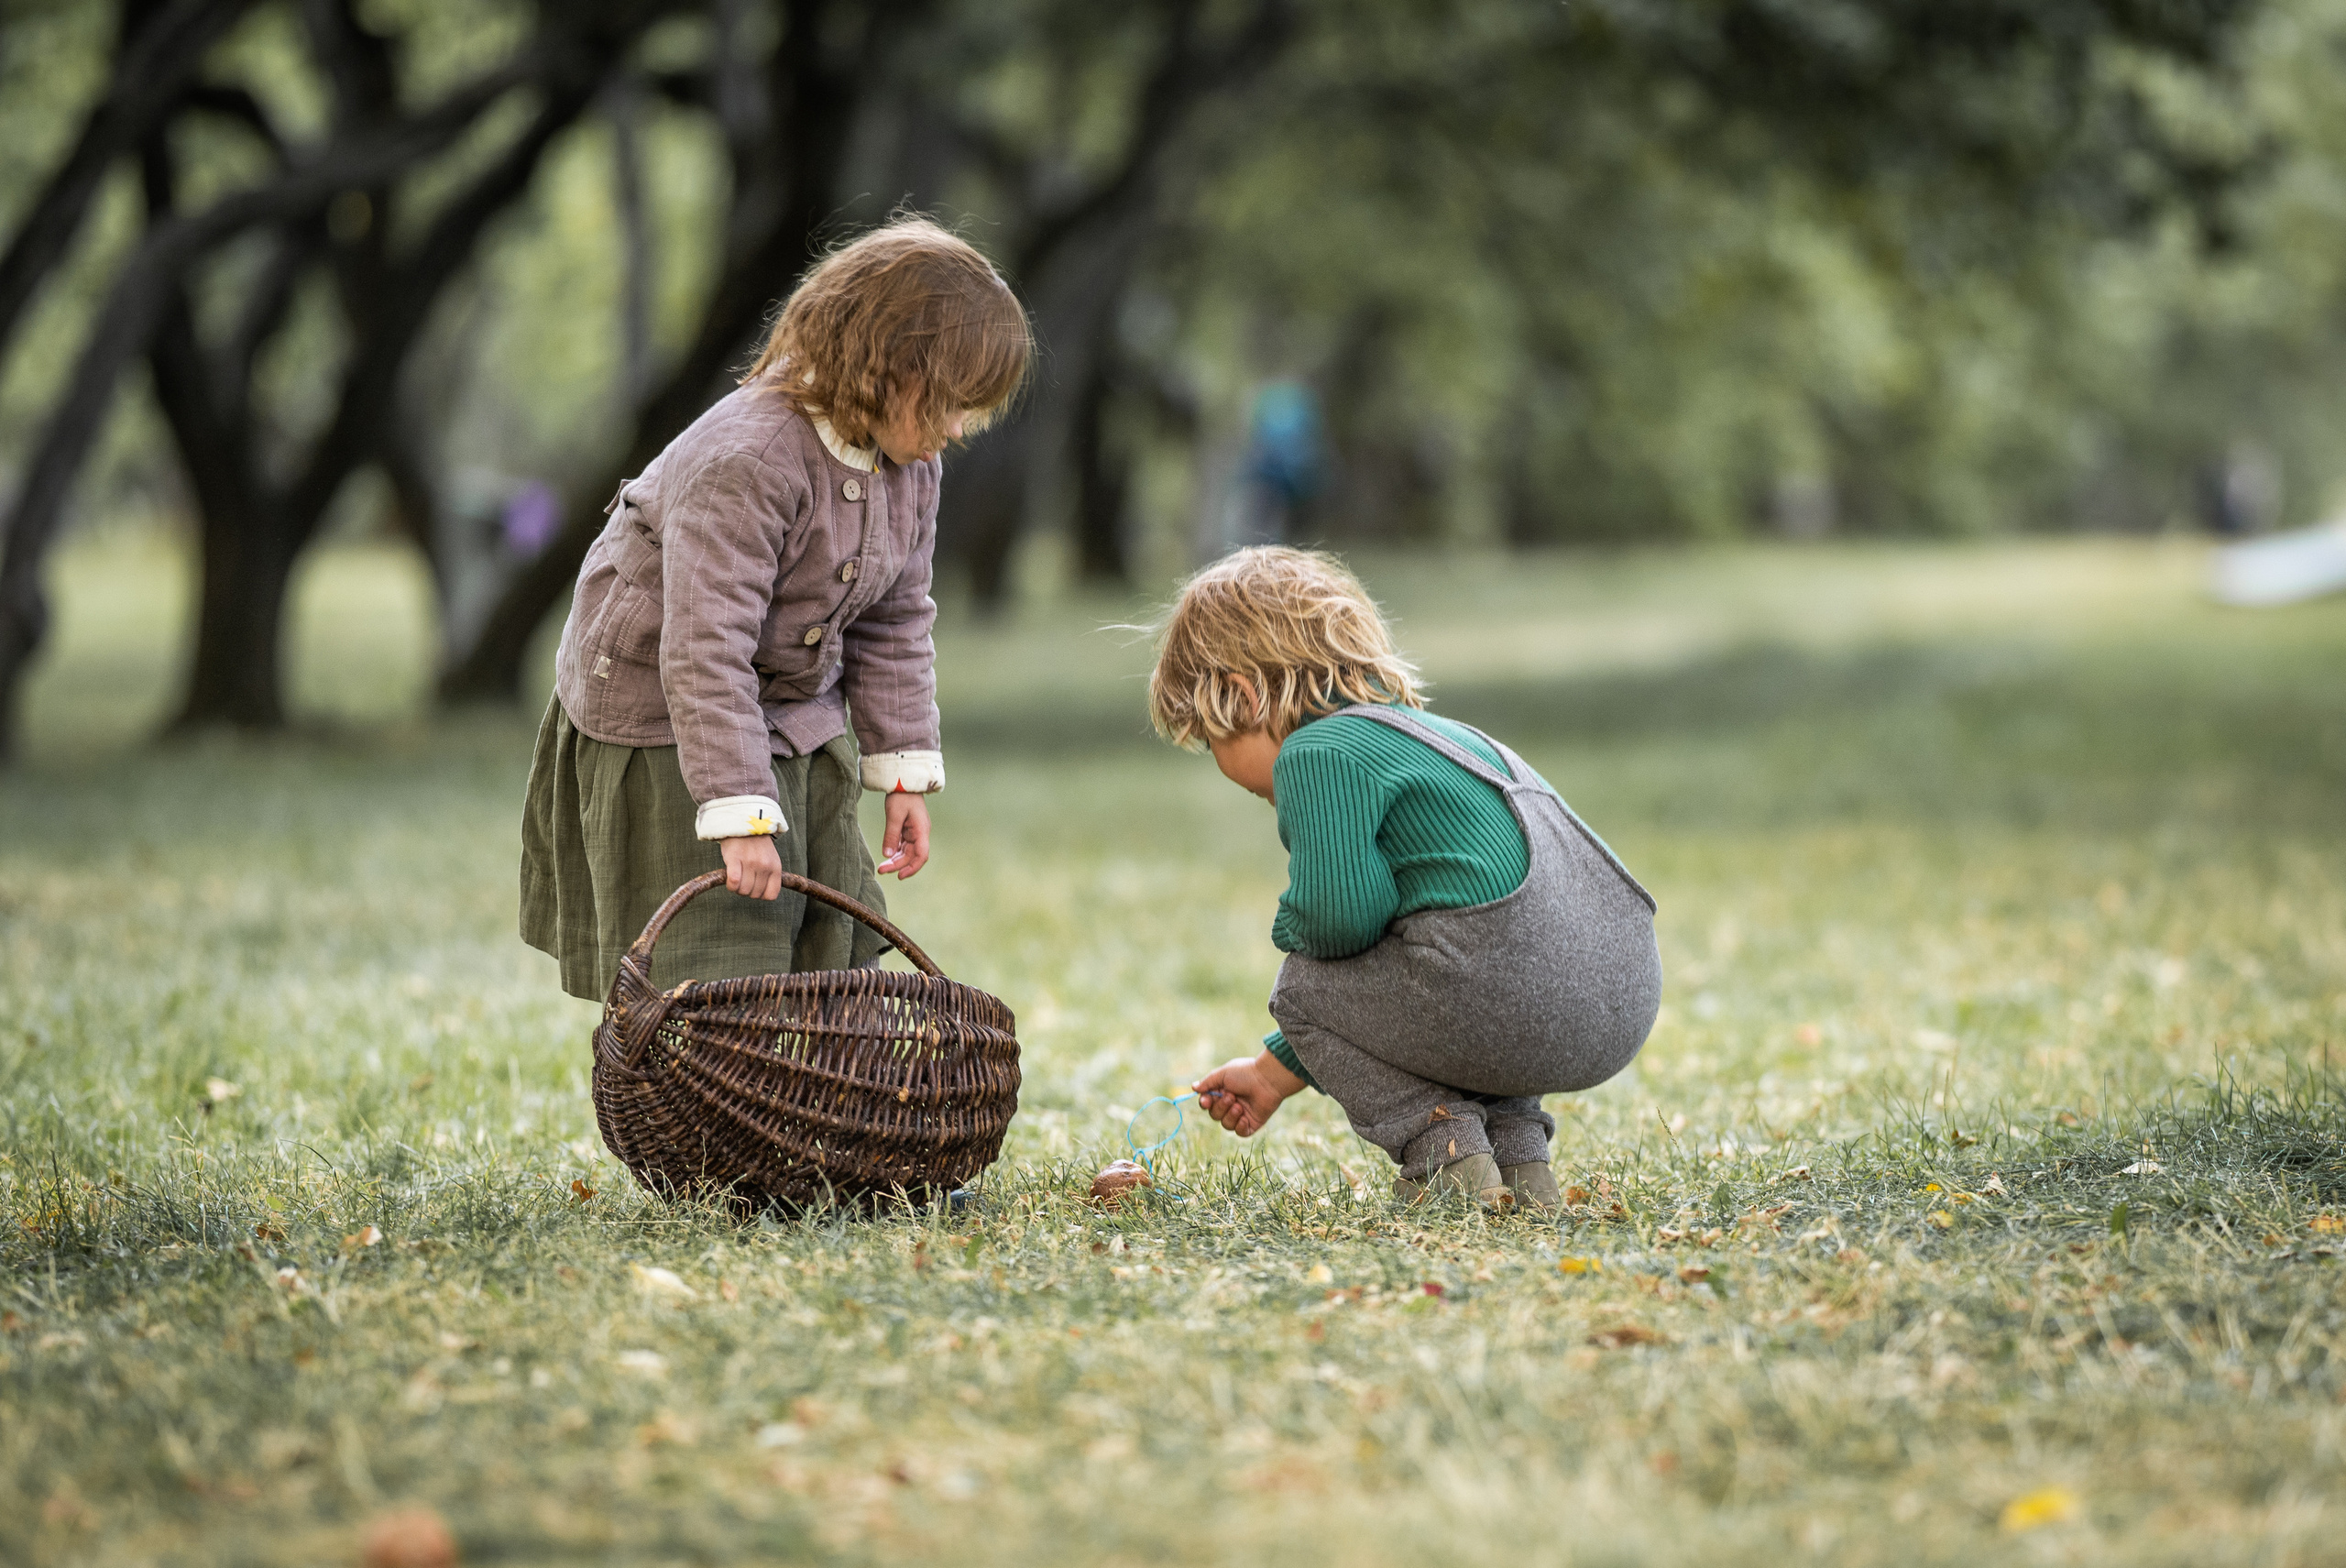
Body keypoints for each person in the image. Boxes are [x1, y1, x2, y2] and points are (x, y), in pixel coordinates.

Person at [521, 218, 1030, 999]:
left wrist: (902, 774)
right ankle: (692, 1108)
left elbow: (896, 620)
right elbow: (704, 648)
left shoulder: (910, 466)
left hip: (788, 697)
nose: (955, 433)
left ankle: (791, 1100)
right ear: (886, 365)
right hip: (663, 704)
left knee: (823, 929)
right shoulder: (749, 458)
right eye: (951, 404)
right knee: (716, 945)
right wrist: (738, 814)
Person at [1147, 547, 1661, 1212]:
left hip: (1514, 990)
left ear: (1242, 696)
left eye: (1211, 738)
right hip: (1616, 989)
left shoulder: (1318, 749)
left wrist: (1292, 919)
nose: (1222, 764)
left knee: (1303, 983)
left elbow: (1339, 923)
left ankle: (1444, 1158)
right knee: (1463, 969)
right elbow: (1397, 997)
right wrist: (1274, 1074)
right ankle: (1521, 1167)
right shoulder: (1444, 737)